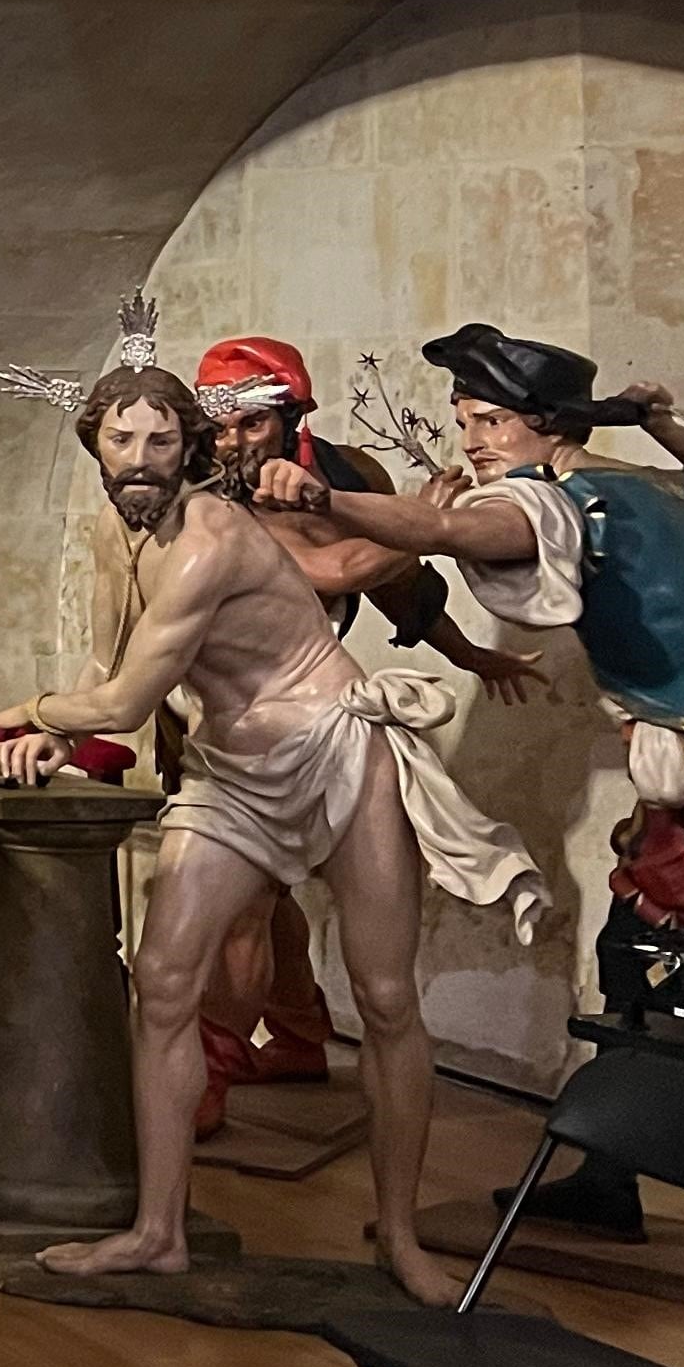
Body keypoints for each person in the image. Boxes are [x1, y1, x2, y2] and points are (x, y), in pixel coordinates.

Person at [0, 361, 540, 1306]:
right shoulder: (117, 537)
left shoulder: (207, 540)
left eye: (161, 440)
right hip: (231, 774)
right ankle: (158, 1231)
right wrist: (50, 734)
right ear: (94, 445)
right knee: (163, 981)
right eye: (122, 439)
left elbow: (123, 701)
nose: (140, 459)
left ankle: (401, 1239)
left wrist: (27, 711)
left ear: (189, 446)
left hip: (335, 749)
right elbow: (104, 661)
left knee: (386, 995)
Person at [274, 323, 684, 1236]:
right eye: (466, 422)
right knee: (632, 948)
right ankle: (611, 1174)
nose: (473, 442)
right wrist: (663, 427)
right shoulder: (675, 484)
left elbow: (453, 529)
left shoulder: (563, 501)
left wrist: (330, 498)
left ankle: (631, 1171)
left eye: (489, 421)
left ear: (546, 425)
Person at [188, 335, 543, 1131]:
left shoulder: (349, 478)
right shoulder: (208, 497)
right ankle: (211, 1071)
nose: (234, 443)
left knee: (284, 894)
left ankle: (299, 1031)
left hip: (318, 707)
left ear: (290, 417)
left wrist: (470, 654)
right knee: (245, 902)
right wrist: (427, 526)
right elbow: (338, 570)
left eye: (251, 425)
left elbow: (399, 586)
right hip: (226, 706)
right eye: (222, 427)